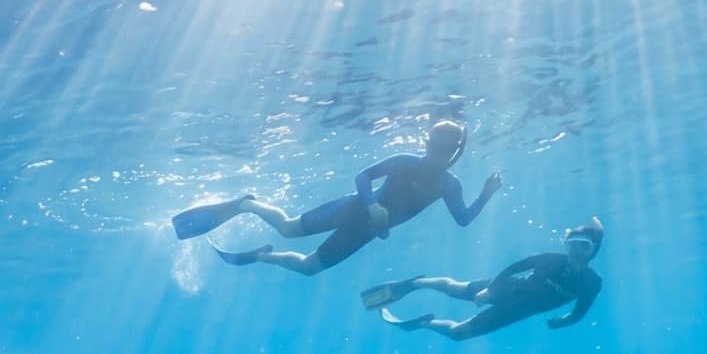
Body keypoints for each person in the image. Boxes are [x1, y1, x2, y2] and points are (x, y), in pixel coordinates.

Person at [175, 120, 500, 275]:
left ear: (455, 151)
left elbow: (463, 220)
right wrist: (372, 205)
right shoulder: (404, 161)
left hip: (365, 232)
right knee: (287, 229)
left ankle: (261, 256)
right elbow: (363, 176)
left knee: (309, 268)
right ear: (426, 142)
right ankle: (247, 204)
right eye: (433, 145)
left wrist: (485, 195)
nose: (435, 153)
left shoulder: (450, 185)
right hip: (352, 209)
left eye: (443, 149)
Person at [361, 219, 604, 340]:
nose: (575, 251)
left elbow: (578, 313)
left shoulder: (592, 284)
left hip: (518, 311)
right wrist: (490, 291)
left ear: (594, 250)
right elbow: (512, 268)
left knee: (458, 334)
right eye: (572, 244)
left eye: (583, 246)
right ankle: (413, 284)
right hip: (506, 289)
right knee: (454, 288)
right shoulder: (550, 260)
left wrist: (562, 322)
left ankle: (424, 323)